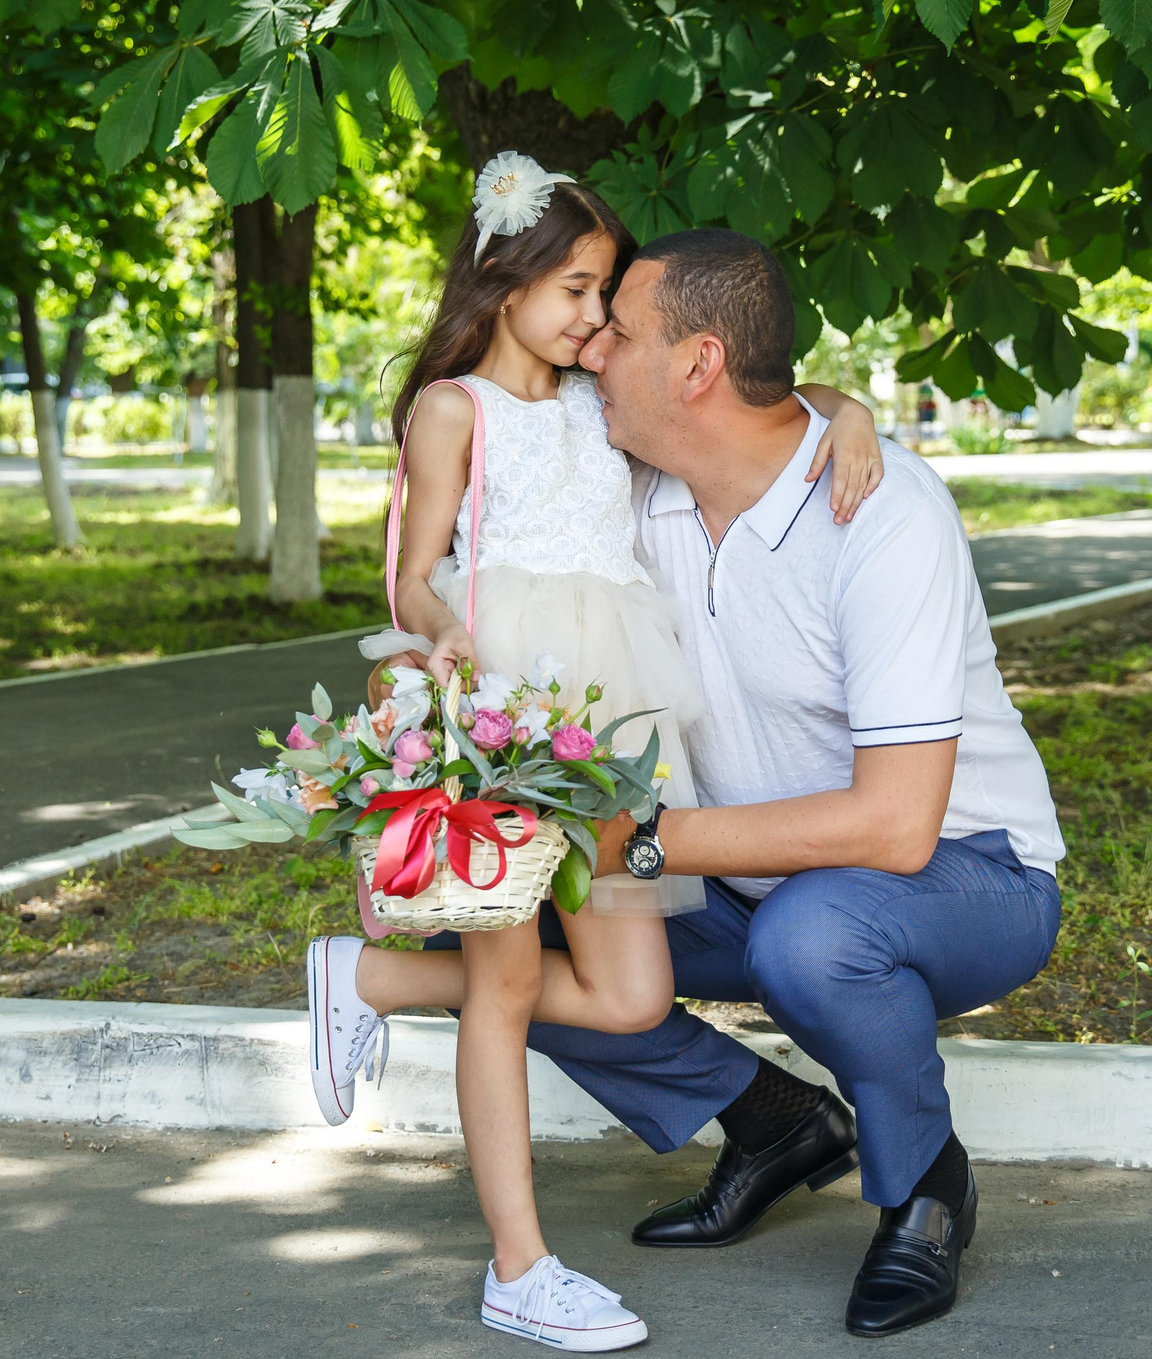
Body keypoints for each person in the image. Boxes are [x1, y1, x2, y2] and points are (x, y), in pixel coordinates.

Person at [362, 229, 1063, 1339]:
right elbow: (465, 565)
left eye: (619, 332)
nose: (591, 352)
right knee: (509, 937)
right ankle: (772, 1121)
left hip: (961, 877)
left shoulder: (881, 517)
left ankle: (924, 1186)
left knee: (814, 936)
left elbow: (892, 828)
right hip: (747, 876)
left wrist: (637, 841)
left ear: (692, 368)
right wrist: (416, 684)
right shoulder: (640, 495)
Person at [302, 154, 887, 1352]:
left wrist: (853, 410)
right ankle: (519, 1267)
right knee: (510, 986)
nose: (589, 316)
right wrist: (447, 636)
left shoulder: (596, 407)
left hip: (611, 722)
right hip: (503, 710)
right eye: (574, 288)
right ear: (502, 277)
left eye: (603, 292)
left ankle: (368, 977)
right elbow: (410, 569)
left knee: (631, 996)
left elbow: (748, 389)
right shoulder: (454, 406)